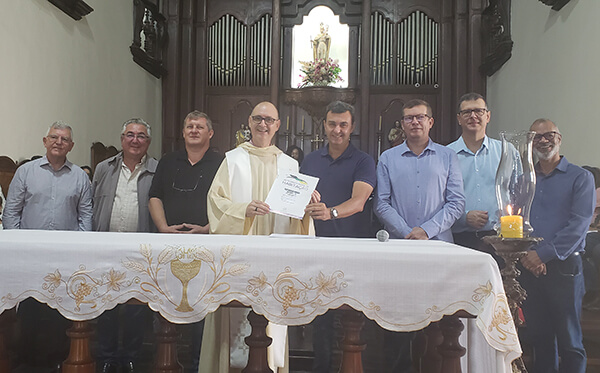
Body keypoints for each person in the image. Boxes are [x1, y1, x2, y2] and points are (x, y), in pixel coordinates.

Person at [201, 101, 312, 373]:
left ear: (277, 125)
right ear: (249, 123)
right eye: (258, 119)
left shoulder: (289, 164)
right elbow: (215, 202)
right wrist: (243, 210)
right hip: (241, 255)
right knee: (234, 321)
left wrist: (307, 206)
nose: (263, 124)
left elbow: (297, 216)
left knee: (272, 324)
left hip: (276, 256)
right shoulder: (232, 159)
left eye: (269, 120)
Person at [374, 99, 465, 372]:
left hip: (438, 249)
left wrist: (426, 230)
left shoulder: (448, 156)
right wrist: (406, 232)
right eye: (409, 118)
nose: (415, 122)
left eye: (420, 117)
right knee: (397, 321)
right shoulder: (388, 158)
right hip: (399, 251)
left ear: (430, 122)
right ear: (402, 124)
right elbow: (381, 202)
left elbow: (456, 202)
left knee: (437, 321)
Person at [3, 121, 92, 371]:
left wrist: (80, 250)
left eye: (64, 139)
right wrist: (17, 245)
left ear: (71, 146)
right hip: (29, 254)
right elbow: (12, 212)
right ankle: (25, 359)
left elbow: (85, 217)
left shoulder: (79, 177)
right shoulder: (26, 172)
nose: (58, 142)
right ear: (45, 141)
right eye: (54, 137)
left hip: (65, 257)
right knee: (30, 307)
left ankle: (56, 358)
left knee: (59, 308)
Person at [300, 101, 376, 372]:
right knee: (319, 318)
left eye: (343, 124)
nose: (337, 130)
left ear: (352, 127)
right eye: (332, 124)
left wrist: (329, 212)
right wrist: (302, 200)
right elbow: (297, 200)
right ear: (325, 125)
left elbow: (358, 202)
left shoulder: (363, 161)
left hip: (351, 246)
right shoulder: (310, 160)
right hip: (316, 247)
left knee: (351, 318)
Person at [148, 111, 223, 372]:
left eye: (200, 127)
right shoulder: (168, 161)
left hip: (206, 244)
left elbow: (230, 204)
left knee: (202, 307)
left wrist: (207, 228)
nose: (194, 130)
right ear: (182, 132)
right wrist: (163, 228)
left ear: (210, 133)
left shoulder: (222, 162)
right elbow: (155, 196)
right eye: (189, 126)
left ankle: (198, 363)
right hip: (169, 244)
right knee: (167, 305)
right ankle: (168, 361)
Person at [519, 119, 595, 373]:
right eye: (536, 137)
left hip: (564, 268)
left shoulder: (580, 177)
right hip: (529, 269)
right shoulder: (524, 179)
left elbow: (579, 224)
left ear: (559, 139)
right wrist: (528, 257)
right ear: (531, 143)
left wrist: (542, 255)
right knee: (540, 340)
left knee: (570, 342)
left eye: (548, 135)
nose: (543, 140)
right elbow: (514, 218)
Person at [92, 118, 158, 373]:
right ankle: (107, 356)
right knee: (105, 304)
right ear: (122, 139)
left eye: (141, 136)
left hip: (140, 250)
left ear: (148, 142)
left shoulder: (156, 169)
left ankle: (131, 355)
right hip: (105, 246)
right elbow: (91, 205)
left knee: (136, 308)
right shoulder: (103, 168)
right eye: (130, 135)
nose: (135, 140)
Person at [447, 93, 502, 259]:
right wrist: (463, 217)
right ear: (459, 119)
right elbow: (437, 198)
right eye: (467, 112)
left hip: (500, 240)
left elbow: (517, 193)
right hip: (459, 239)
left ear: (488, 116)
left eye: (478, 111)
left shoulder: (506, 152)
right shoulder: (446, 155)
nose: (473, 116)